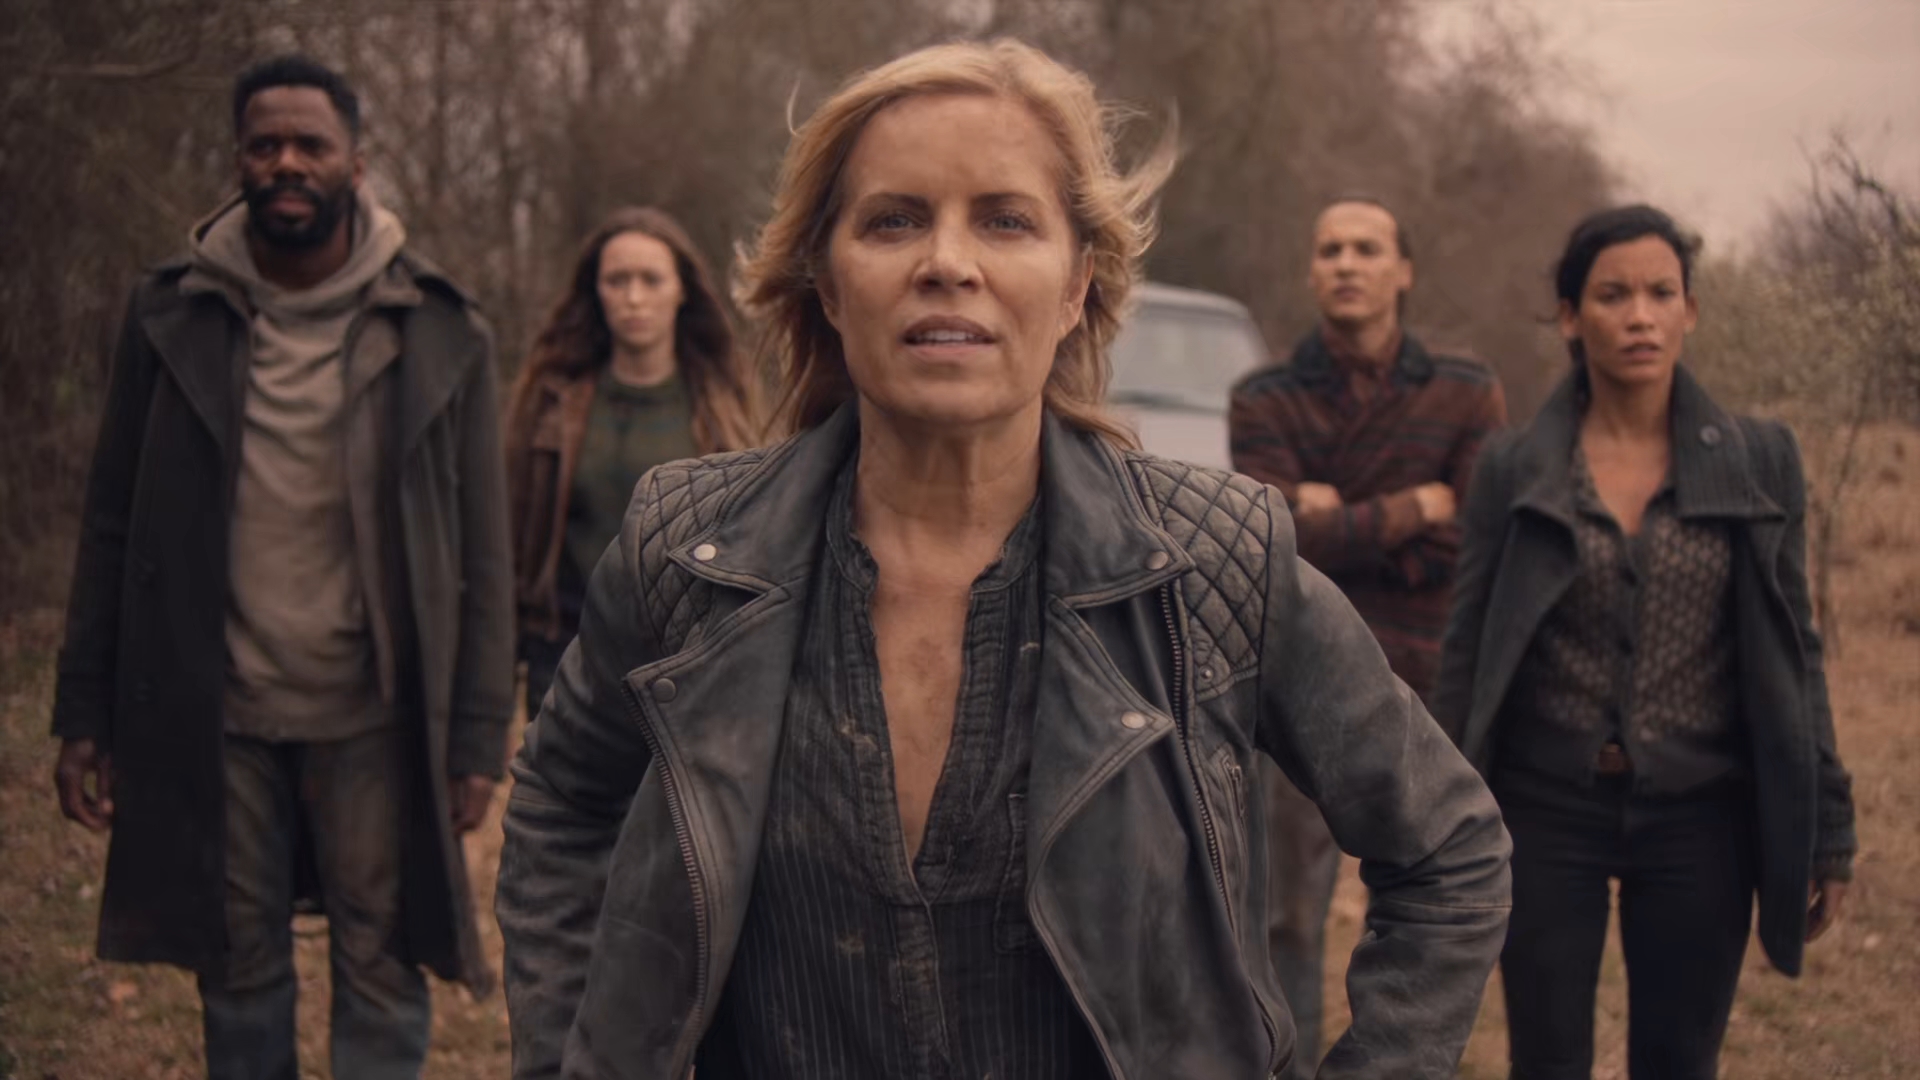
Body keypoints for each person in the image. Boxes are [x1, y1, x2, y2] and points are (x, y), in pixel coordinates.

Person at [496, 39, 1509, 1080]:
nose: (947, 261)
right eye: (894, 220)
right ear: (829, 284)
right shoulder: (687, 551)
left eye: (1005, 219)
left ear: (1076, 286)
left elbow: (1449, 851)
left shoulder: (1215, 562)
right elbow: (561, 809)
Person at [49, 54, 515, 1080]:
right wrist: (85, 710)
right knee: (239, 968)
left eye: (311, 144)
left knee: (382, 964)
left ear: (358, 161)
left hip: (374, 713)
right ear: (238, 161)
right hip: (219, 710)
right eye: (265, 145)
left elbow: (484, 552)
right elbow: (114, 525)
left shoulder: (439, 328)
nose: (288, 163)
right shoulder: (170, 313)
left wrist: (478, 735)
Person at [1433, 204, 1856, 1079]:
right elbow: (1468, 646)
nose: (1640, 317)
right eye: (1613, 295)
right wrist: (1429, 813)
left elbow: (1796, 649)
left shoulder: (1758, 460)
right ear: (1569, 316)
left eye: (1662, 294)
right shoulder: (1516, 467)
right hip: (1545, 806)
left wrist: (1828, 826)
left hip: (1702, 811)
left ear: (1690, 311)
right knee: (1547, 1058)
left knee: (1679, 1059)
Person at [1226, 196, 1508, 1076]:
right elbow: (1271, 545)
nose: (1347, 263)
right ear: (1312, 272)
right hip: (1297, 682)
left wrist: (1336, 517)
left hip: (1430, 670)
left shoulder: (1465, 390)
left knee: (1436, 888)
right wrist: (1416, 507)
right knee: (1285, 912)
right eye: (1330, 249)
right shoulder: (1263, 397)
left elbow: (1477, 540)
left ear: (1403, 270)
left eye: (1366, 248)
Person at [504, 206, 759, 719]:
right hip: (567, 660)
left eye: (651, 280)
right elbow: (511, 540)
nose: (634, 297)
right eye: (618, 281)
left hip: (686, 667)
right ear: (595, 291)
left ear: (681, 290)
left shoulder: (722, 412)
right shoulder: (551, 407)